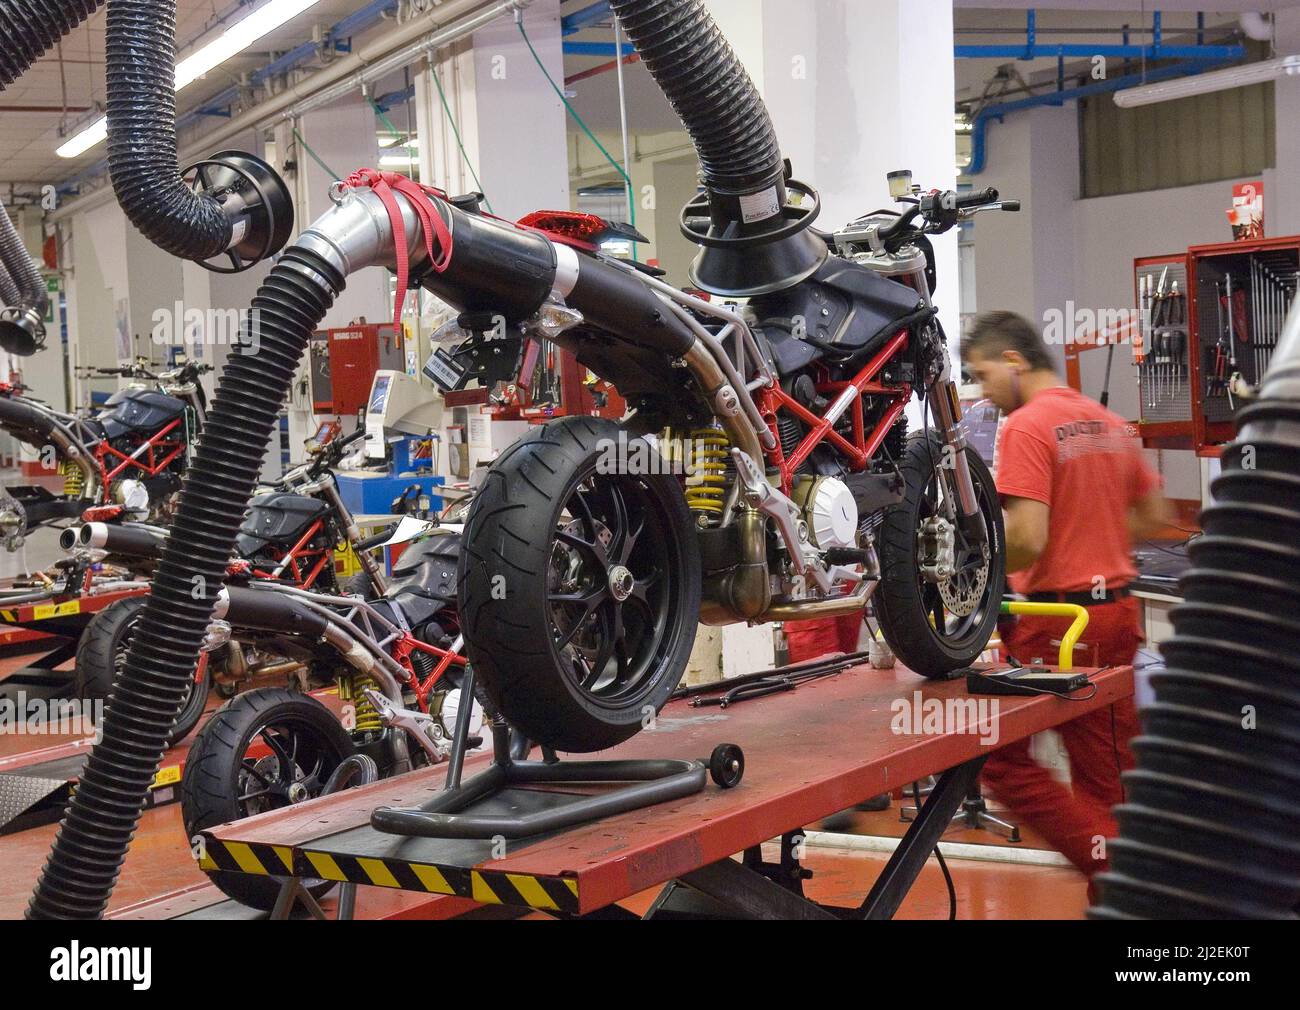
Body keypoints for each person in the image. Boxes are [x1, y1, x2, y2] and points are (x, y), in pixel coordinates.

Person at [961, 310, 1170, 893]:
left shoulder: (1027, 426)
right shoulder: (1105, 421)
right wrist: (1093, 539)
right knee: (1108, 783)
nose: (982, 392)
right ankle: (1125, 893)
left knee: (1001, 761)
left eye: (981, 375)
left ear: (1013, 361)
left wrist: (969, 572)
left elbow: (1026, 539)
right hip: (1114, 614)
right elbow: (1155, 516)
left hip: (1060, 624)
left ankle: (1128, 883)